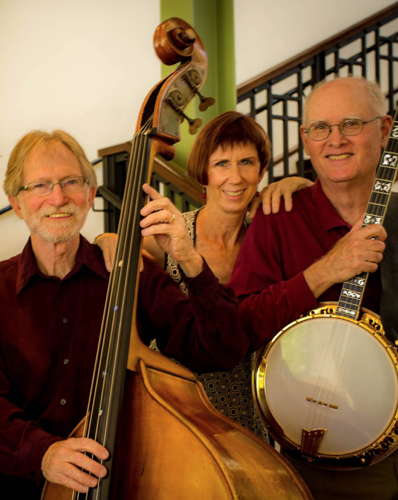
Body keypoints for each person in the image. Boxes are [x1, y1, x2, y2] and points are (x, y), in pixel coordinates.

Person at [0, 130, 248, 499]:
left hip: (131, 480)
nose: (58, 198)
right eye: (41, 185)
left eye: (71, 182)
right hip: (29, 487)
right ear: (16, 203)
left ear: (91, 193)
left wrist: (190, 260)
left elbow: (221, 351)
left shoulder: (131, 273)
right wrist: (43, 452)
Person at [228, 76, 398, 500]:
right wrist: (326, 270)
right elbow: (239, 327)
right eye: (320, 128)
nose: (335, 139)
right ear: (306, 141)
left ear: (385, 129)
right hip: (304, 459)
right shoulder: (277, 219)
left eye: (352, 123)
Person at [95, 111, 312, 441]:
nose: (235, 177)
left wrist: (301, 184)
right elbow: (119, 258)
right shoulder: (171, 236)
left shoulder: (267, 235)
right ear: (203, 173)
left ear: (261, 170)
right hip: (178, 410)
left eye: (246, 162)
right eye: (221, 163)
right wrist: (106, 239)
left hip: (252, 412)